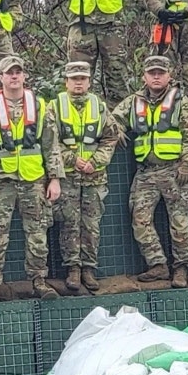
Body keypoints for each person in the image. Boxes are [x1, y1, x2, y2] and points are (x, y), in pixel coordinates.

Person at [0, 56, 63, 303]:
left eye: (18, 72)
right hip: (0, 181)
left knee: (38, 234)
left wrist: (54, 178)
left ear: (24, 76)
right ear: (1, 77)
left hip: (34, 180)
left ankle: (39, 282)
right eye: (9, 73)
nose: (14, 76)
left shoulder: (40, 106)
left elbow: (51, 144)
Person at [110, 55, 188, 288]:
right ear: (145, 77)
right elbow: (111, 120)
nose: (157, 76)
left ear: (169, 75)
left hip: (174, 171)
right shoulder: (133, 102)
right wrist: (117, 130)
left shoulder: (181, 102)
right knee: (139, 218)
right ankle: (158, 264)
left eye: (161, 72)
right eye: (152, 73)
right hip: (146, 172)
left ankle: (181, 268)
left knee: (180, 222)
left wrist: (186, 163)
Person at [48, 61, 121, 293]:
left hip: (94, 177)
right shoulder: (54, 106)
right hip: (67, 176)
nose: (78, 82)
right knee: (69, 223)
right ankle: (73, 269)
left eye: (83, 78)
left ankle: (88, 268)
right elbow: (49, 139)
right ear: (66, 81)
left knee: (91, 224)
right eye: (74, 78)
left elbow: (111, 137)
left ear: (89, 81)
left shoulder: (99, 107)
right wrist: (71, 159)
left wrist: (96, 161)